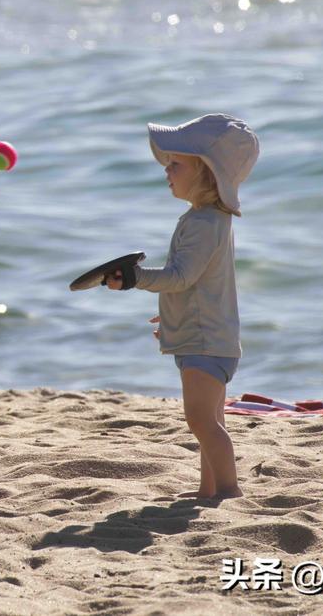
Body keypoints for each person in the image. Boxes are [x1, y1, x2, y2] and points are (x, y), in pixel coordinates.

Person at [105, 114, 259, 499]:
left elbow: (179, 277)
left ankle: (228, 489)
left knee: (201, 421)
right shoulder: (205, 219)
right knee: (210, 419)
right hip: (207, 337)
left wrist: (135, 278)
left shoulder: (205, 223)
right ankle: (208, 489)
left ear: (206, 173)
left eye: (176, 164)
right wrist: (173, 310)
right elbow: (197, 285)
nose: (166, 171)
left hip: (206, 343)